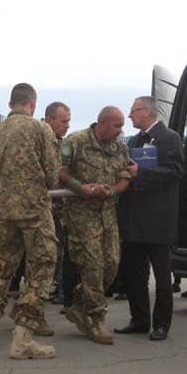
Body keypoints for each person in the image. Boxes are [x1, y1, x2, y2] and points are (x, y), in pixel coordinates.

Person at [0, 83, 60, 359]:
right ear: (32, 104)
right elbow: (51, 175)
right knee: (41, 270)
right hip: (35, 212)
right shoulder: (40, 129)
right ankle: (23, 338)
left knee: (2, 270)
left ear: (10, 103)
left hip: (4, 213)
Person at [60, 106, 133, 345]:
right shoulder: (77, 141)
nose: (120, 130)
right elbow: (58, 170)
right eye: (117, 126)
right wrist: (81, 188)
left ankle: (78, 305)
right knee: (93, 266)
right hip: (83, 215)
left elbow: (125, 177)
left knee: (112, 263)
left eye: (122, 126)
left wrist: (111, 189)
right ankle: (97, 319)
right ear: (102, 123)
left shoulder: (120, 147)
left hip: (108, 215)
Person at [116, 96, 184, 341]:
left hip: (158, 218)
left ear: (146, 111)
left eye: (133, 111)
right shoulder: (134, 140)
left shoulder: (170, 138)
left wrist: (141, 172)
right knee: (134, 272)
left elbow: (176, 172)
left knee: (162, 275)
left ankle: (161, 324)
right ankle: (139, 319)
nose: (130, 115)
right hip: (134, 218)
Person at [42, 102, 73, 306]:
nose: (67, 125)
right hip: (43, 209)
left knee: (61, 253)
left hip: (61, 210)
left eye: (69, 121)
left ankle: (60, 290)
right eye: (63, 121)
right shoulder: (40, 144)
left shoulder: (64, 146)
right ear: (49, 120)